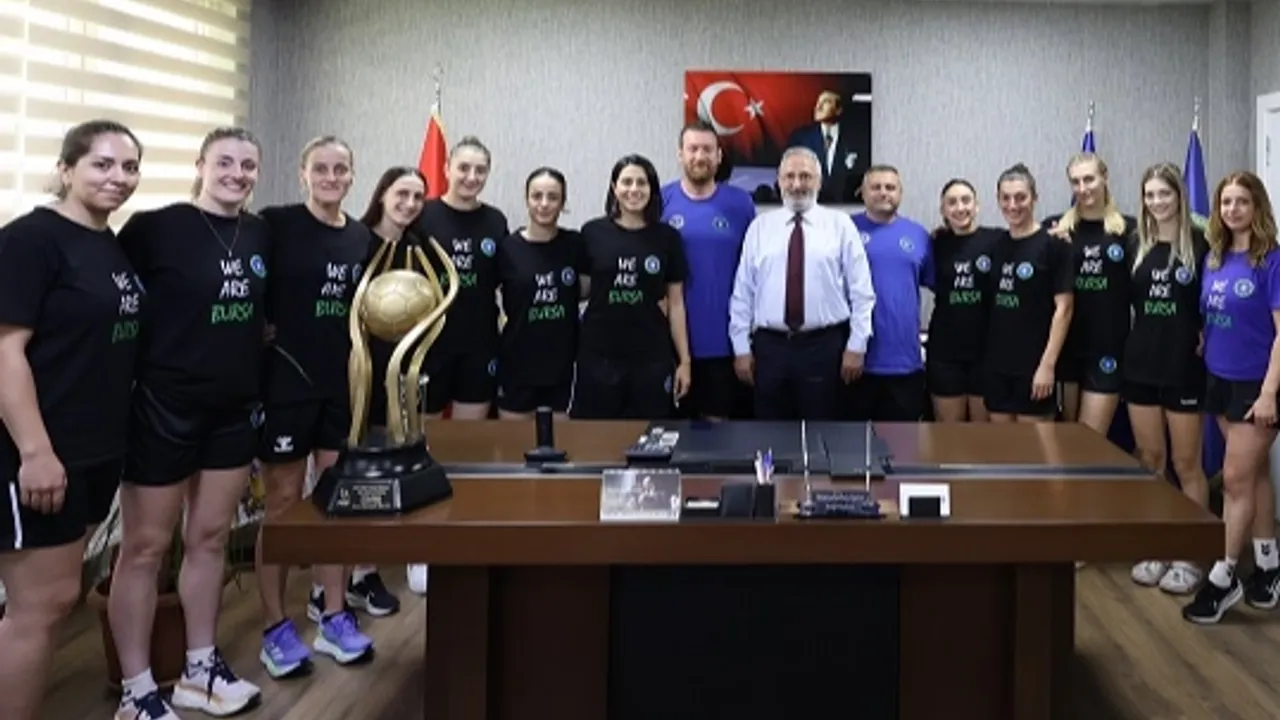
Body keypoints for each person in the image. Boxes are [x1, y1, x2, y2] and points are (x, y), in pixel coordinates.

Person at [109, 126, 268, 719]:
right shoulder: (156, 228)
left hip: (232, 409)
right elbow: (114, 304)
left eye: (248, 165)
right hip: (162, 406)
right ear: (200, 165)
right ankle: (137, 690)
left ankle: (199, 671)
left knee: (209, 539)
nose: (236, 174)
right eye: (224, 162)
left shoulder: (260, 234)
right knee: (145, 548)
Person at [0, 120, 143, 720]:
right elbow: (5, 351)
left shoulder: (109, 245)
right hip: (39, 451)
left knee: (60, 598)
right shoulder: (31, 240)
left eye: (129, 167)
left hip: (93, 449)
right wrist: (35, 451)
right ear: (65, 169)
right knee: (41, 606)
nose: (118, 178)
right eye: (102, 164)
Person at [254, 136, 375, 680]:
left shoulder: (361, 238)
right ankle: (274, 627)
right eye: (320, 168)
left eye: (340, 169)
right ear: (303, 174)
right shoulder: (275, 224)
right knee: (282, 503)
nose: (331, 177)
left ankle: (333, 616)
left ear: (352, 176)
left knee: (335, 502)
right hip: (285, 384)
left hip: (339, 385)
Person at [1183, 171, 1280, 625]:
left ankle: (1225, 577)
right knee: (1253, 474)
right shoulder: (1215, 258)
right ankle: (1268, 565)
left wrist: (1270, 393)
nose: (1233, 209)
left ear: (1257, 206)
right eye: (1226, 202)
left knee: (1235, 481)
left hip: (1257, 385)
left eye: (1242, 201)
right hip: (1218, 379)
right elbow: (1212, 314)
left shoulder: (1272, 260)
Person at [729, 146, 876, 420]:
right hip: (769, 349)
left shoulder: (841, 225)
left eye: (806, 176)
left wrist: (857, 345)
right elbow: (743, 293)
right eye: (790, 176)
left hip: (824, 347)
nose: (797, 185)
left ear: (819, 181)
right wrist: (741, 348)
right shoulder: (759, 228)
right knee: (770, 431)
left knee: (823, 430)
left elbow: (861, 292)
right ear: (779, 181)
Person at [1125, 164, 1211, 595]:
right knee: (1150, 459)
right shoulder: (1134, 241)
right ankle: (1158, 546)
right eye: (1150, 194)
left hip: (1183, 368)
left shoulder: (1202, 241)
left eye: (1165, 193)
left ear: (1179, 195)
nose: (1157, 201)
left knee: (1186, 464)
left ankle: (1189, 554)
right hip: (1141, 364)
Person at [570, 154, 691, 419]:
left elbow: (676, 304)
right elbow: (580, 289)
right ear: (614, 188)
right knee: (596, 434)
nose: (634, 189)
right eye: (626, 182)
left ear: (652, 189)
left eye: (641, 183)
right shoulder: (592, 232)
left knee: (650, 432)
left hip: (650, 356)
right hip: (599, 355)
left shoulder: (667, 238)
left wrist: (684, 361)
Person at [357, 167, 427, 598]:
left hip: (402, 374)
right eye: (402, 193)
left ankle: (369, 567)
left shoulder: (418, 249)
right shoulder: (356, 241)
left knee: (391, 466)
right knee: (359, 470)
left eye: (418, 197)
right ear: (382, 194)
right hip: (357, 373)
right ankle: (352, 574)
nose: (410, 203)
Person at [660, 121, 756, 420]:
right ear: (680, 154)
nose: (700, 156)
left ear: (719, 156)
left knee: (720, 433)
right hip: (670, 343)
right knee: (671, 432)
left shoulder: (740, 203)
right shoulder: (660, 200)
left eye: (707, 150)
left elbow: (754, 271)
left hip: (724, 343)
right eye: (693, 149)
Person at [414, 136, 509, 420]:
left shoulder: (495, 220)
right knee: (426, 435)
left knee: (470, 436)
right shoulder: (422, 215)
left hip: (479, 341)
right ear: (446, 169)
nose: (471, 177)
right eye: (464, 168)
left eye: (480, 170)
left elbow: (506, 276)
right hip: (430, 342)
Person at [1046, 153, 1136, 434]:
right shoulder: (1056, 227)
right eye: (1076, 182)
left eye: (1089, 179)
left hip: (1108, 348)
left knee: (1089, 441)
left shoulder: (1130, 230)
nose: (1083, 188)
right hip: (1067, 347)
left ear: (1104, 178)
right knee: (1065, 439)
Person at [983, 164, 1074, 423]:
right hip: (997, 368)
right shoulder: (994, 245)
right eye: (1006, 198)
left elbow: (1064, 309)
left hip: (1035, 367)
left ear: (1034, 198)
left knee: (1033, 447)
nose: (1013, 205)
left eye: (1020, 197)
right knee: (1000, 446)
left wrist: (1047, 366)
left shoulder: (1054, 244)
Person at [495, 168, 585, 419]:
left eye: (553, 197)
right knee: (514, 442)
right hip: (517, 365)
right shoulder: (507, 248)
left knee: (561, 442)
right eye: (537, 196)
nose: (544, 204)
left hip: (563, 369)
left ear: (563, 202)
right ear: (527, 199)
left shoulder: (575, 244)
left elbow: (591, 287)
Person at [849, 165, 932, 421]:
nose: (883, 193)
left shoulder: (919, 235)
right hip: (856, 361)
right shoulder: (845, 230)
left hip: (905, 362)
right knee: (853, 441)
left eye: (890, 187)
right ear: (862, 192)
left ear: (900, 193)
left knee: (903, 441)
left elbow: (937, 283)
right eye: (876, 187)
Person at [926, 179, 1001, 422]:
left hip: (986, 353)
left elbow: (1032, 240)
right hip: (945, 353)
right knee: (949, 435)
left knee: (981, 437)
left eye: (966, 200)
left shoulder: (998, 240)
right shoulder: (935, 243)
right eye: (952, 202)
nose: (960, 208)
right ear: (943, 210)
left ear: (976, 205)